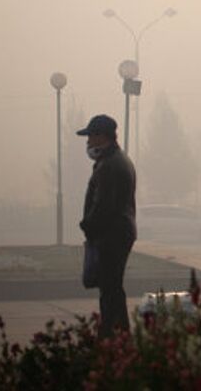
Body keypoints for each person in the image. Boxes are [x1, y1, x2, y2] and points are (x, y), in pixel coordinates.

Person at [77, 114, 137, 338]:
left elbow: (103, 206)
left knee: (110, 289)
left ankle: (112, 338)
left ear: (102, 137)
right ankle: (118, 335)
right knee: (112, 287)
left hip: (112, 235)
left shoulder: (110, 165)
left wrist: (87, 226)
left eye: (90, 137)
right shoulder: (116, 160)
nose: (88, 142)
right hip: (118, 232)